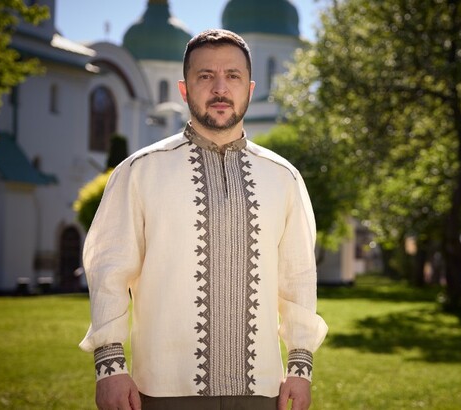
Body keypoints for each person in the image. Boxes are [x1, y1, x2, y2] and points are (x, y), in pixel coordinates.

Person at [79, 29, 328, 410]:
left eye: (233, 76)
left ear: (249, 87)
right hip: (162, 389)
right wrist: (110, 369)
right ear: (184, 89)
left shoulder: (284, 177)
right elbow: (108, 271)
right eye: (205, 76)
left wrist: (300, 366)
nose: (220, 88)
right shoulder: (140, 171)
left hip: (260, 391)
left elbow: (297, 280)